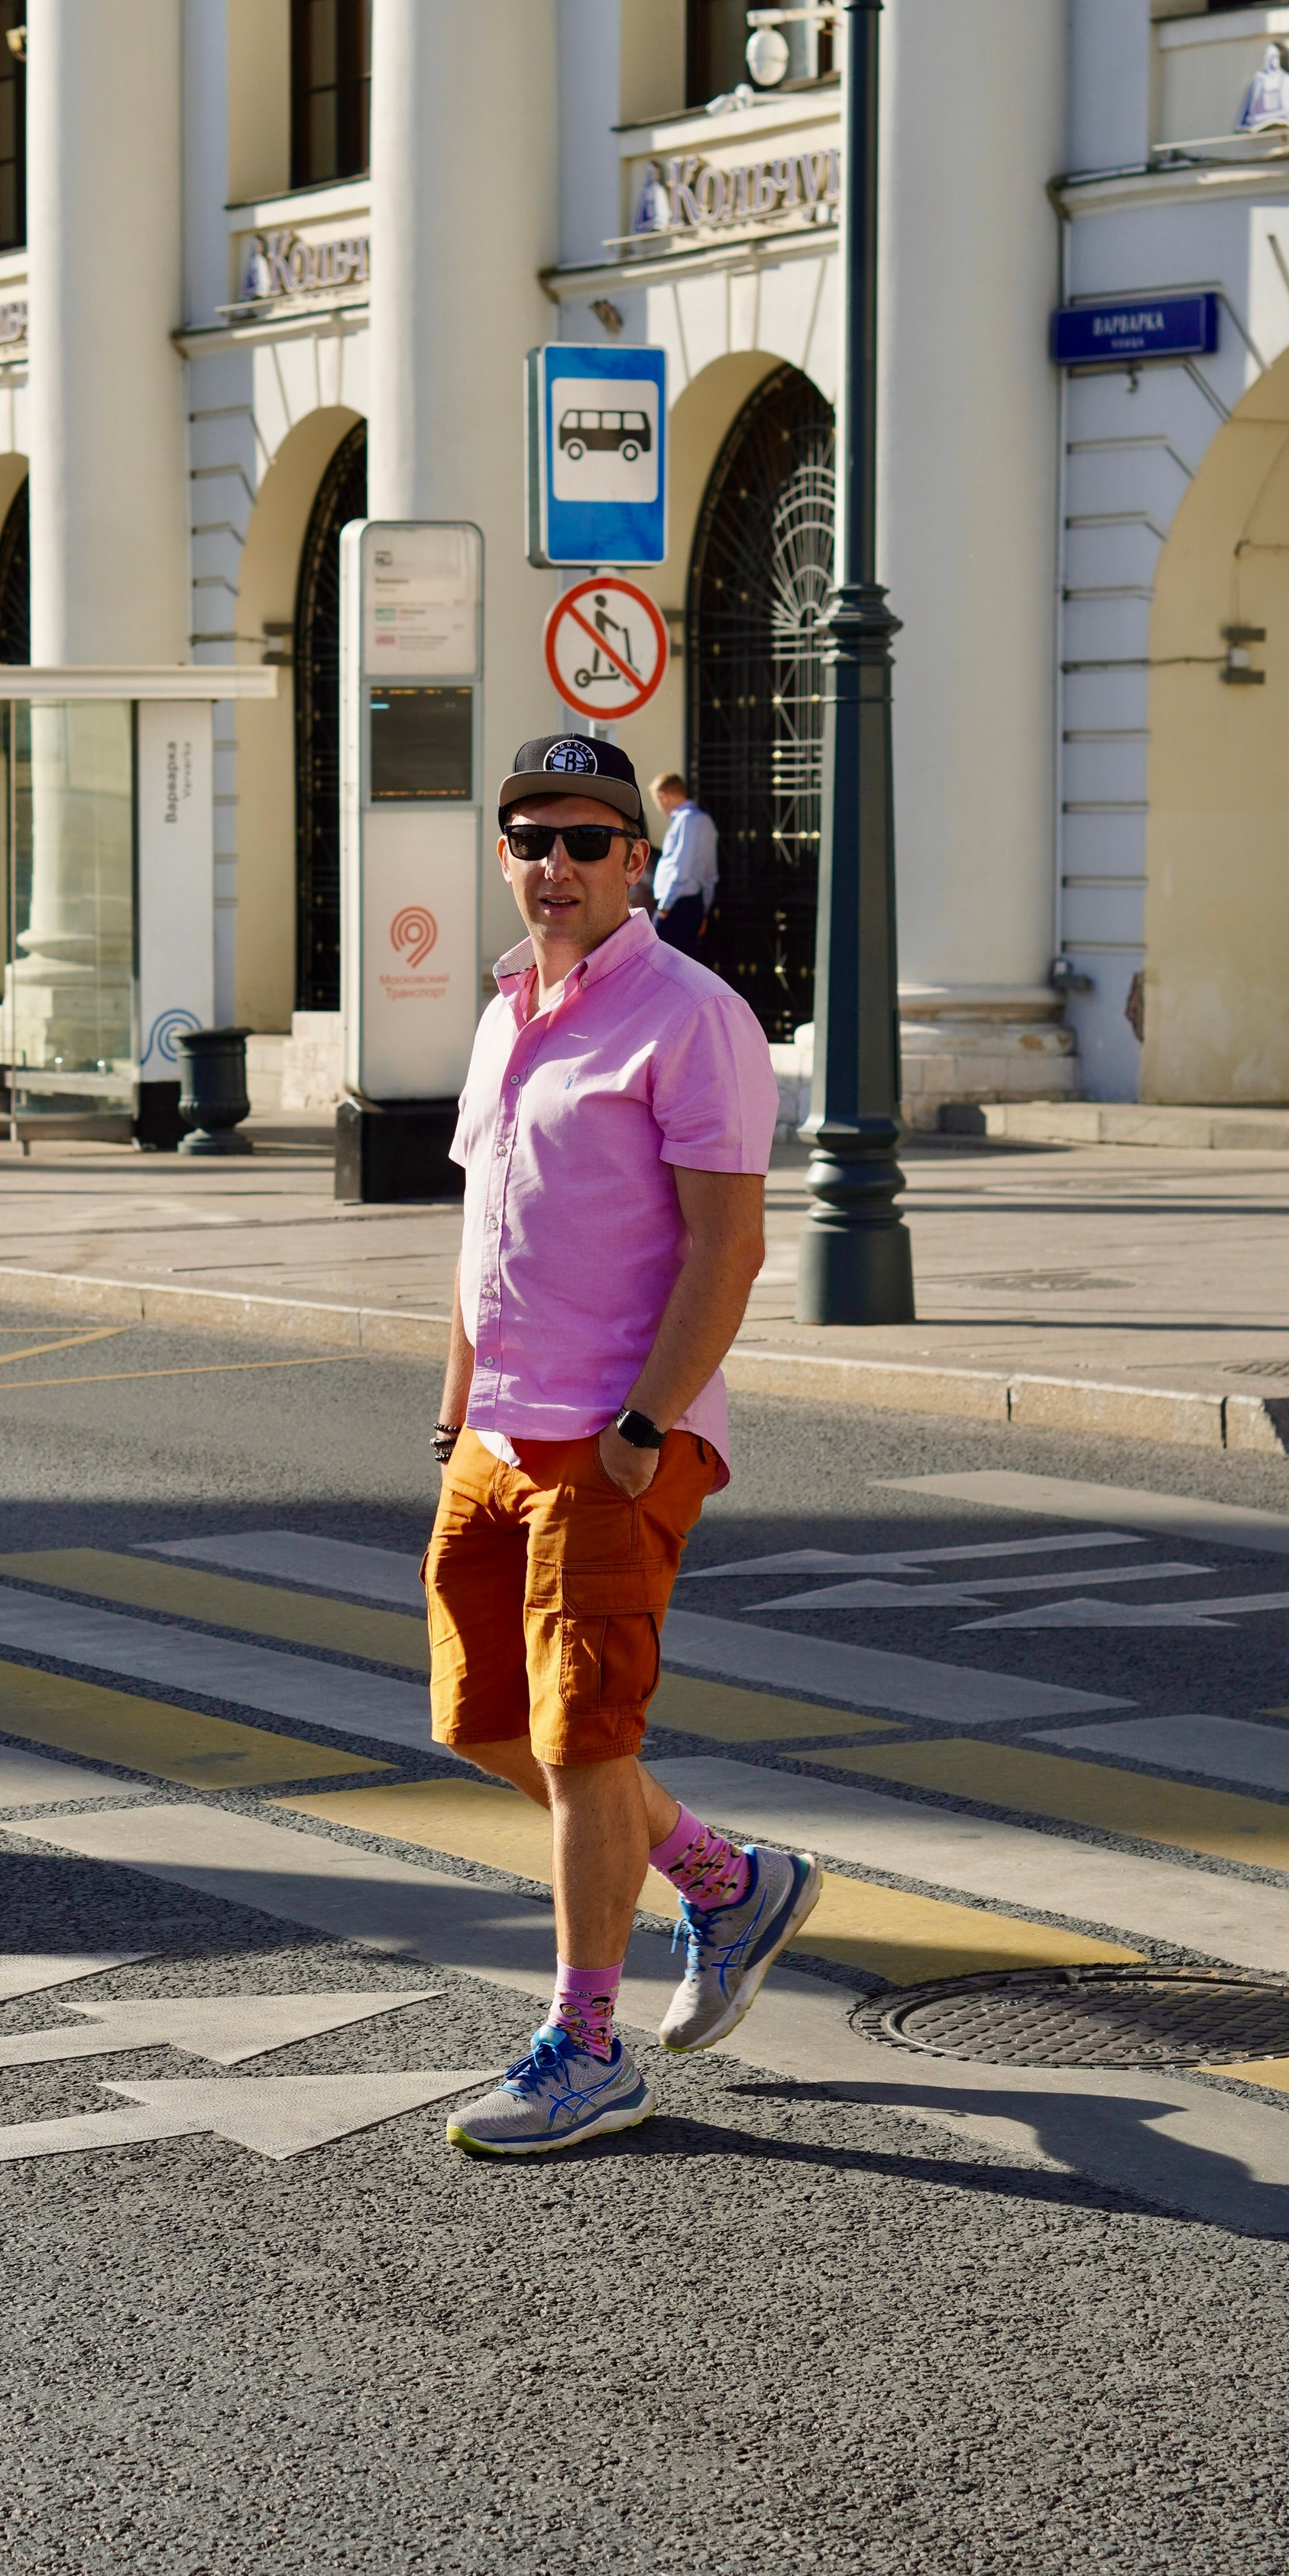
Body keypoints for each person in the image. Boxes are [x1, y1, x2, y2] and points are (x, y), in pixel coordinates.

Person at [429, 731, 818, 2157]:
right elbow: (485, 1223)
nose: (556, 866)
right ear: (508, 856)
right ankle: (722, 1881)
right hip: (498, 1430)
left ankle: (585, 2044)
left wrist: (650, 1424)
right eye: (532, 839)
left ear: (636, 860)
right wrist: (455, 1397)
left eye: (587, 841)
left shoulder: (688, 1014)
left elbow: (728, 1243)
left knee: (585, 1736)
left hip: (614, 1431)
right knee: (479, 1722)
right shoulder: (503, 1012)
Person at [648, 769, 717, 961]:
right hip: (692, 904)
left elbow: (680, 869)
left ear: (663, 797)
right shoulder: (705, 820)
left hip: (676, 906)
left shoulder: (685, 821)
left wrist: (664, 907)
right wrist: (703, 910)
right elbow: (711, 874)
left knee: (659, 963)